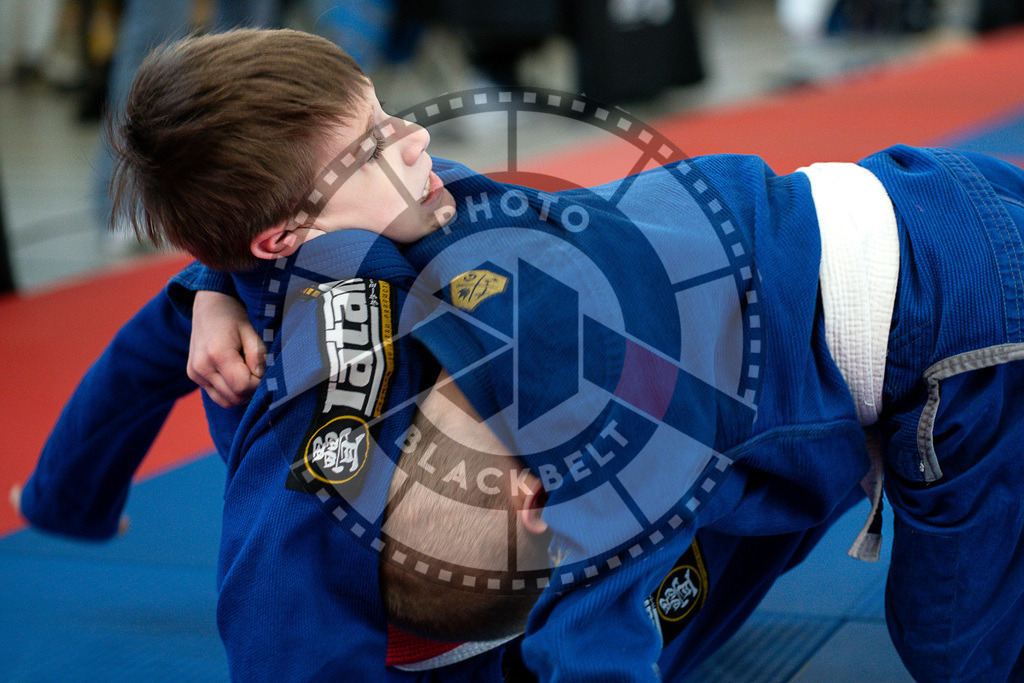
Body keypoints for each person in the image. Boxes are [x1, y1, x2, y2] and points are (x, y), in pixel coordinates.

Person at [23, 26, 1024, 681]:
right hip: (875, 239)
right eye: (372, 148)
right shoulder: (325, 275)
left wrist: (206, 294)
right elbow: (144, 350)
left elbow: (611, 545)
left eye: (387, 118)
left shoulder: (508, 322)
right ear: (282, 240)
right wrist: (200, 300)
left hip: (947, 322)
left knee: (958, 647)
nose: (414, 144)